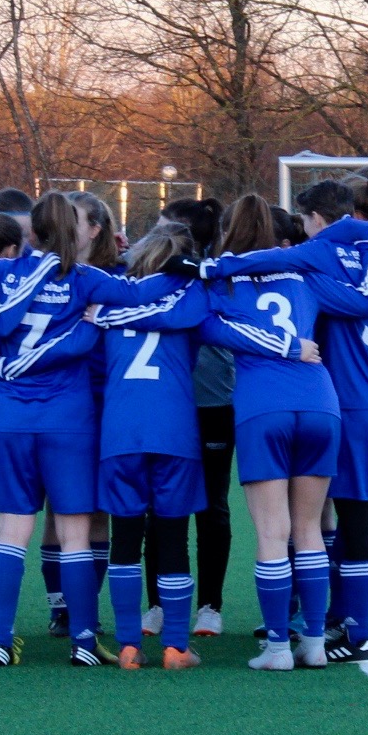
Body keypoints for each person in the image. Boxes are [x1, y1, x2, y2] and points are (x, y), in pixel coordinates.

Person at [197, 194, 352, 670]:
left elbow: (207, 329)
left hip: (263, 406)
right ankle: (314, 642)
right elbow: (360, 303)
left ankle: (278, 648)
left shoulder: (220, 279)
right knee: (309, 529)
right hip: (320, 400)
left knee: (272, 533)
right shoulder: (305, 272)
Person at [92, 221, 212, 669]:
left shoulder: (111, 297)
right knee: (173, 536)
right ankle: (176, 646)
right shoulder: (192, 295)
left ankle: (128, 645)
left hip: (121, 429)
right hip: (173, 428)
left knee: (125, 537)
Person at [160, 198, 233, 638]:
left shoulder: (219, 273)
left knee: (212, 506)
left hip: (212, 401)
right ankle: (157, 603)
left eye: (163, 226)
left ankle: (210, 605)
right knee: (161, 504)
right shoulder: (153, 272)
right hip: (167, 403)